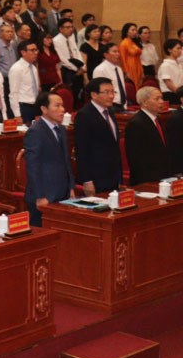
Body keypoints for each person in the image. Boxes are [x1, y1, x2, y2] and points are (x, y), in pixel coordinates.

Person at [23, 91, 74, 226]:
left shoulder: (61, 129)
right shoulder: (35, 131)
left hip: (63, 192)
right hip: (45, 194)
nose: (62, 110)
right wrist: (40, 196)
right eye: (57, 106)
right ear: (44, 109)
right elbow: (33, 166)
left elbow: (66, 161)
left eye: (62, 105)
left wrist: (71, 187)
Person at [73, 78, 122, 195]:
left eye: (113, 92)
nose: (111, 96)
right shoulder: (84, 115)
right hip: (96, 178)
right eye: (106, 92)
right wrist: (87, 180)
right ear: (94, 95)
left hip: (112, 175)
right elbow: (81, 150)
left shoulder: (110, 111)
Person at [125, 86, 179, 185]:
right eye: (157, 99)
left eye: (161, 98)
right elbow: (136, 158)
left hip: (163, 176)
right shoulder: (137, 123)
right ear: (144, 102)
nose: (161, 102)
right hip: (147, 180)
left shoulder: (157, 119)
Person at [7, 40, 42, 124]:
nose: (35, 53)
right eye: (32, 50)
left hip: (35, 106)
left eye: (36, 50)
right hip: (23, 107)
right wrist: (17, 114)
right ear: (23, 52)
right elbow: (13, 93)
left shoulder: (33, 68)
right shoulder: (17, 68)